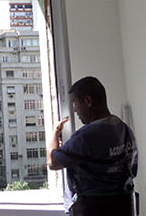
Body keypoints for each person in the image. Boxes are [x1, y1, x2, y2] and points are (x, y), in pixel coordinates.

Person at [47, 76, 138, 216]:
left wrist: (54, 134)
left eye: (75, 104)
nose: (75, 110)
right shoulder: (125, 130)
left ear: (88, 101)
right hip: (124, 206)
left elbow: (52, 162)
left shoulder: (84, 137)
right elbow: (131, 169)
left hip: (92, 208)